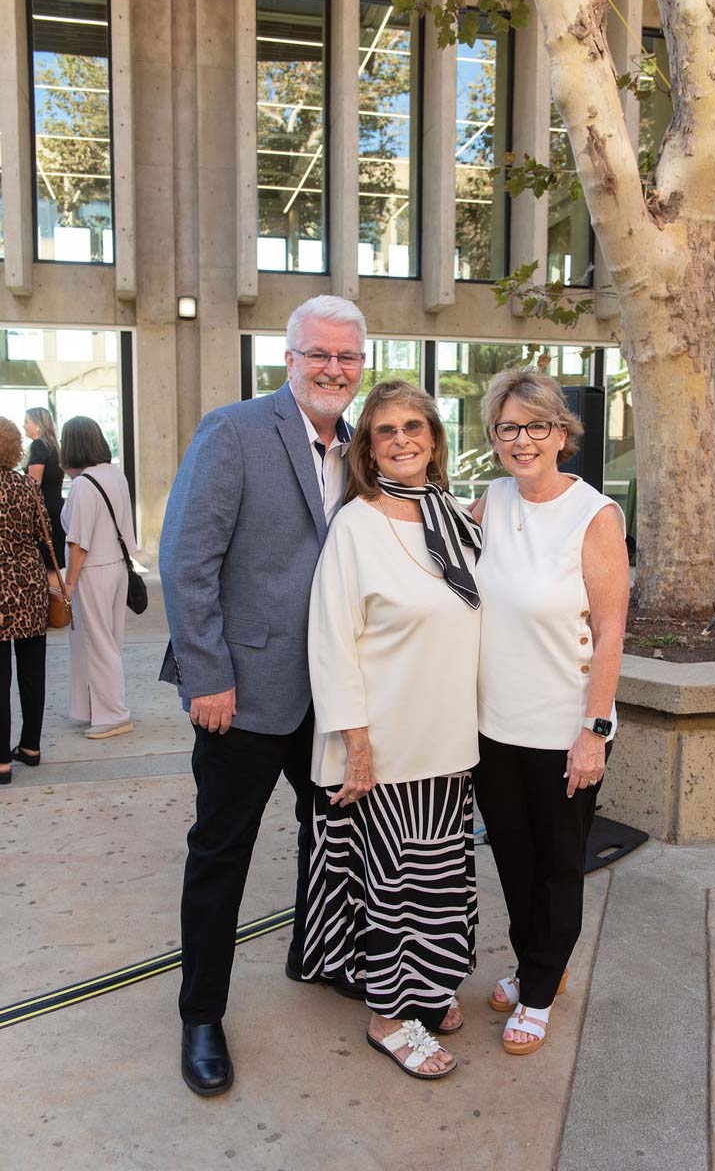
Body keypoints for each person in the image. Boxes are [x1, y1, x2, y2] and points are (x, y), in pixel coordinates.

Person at [159, 294, 367, 1097]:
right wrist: (208, 674)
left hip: (329, 694)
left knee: (335, 841)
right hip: (243, 694)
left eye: (346, 357)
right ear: (288, 358)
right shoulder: (236, 430)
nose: (332, 369)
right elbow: (186, 559)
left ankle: (316, 954)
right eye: (318, 354)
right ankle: (201, 1013)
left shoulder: (356, 450)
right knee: (221, 853)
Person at [303, 380, 483, 1080]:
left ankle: (431, 988)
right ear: (367, 447)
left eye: (415, 426)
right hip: (384, 742)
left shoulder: (455, 519)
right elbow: (331, 639)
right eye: (386, 430)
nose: (403, 439)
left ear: (434, 439)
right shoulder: (356, 525)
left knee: (444, 876)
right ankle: (387, 1013)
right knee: (395, 885)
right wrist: (354, 743)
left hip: (450, 737)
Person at [472, 369, 629, 1055]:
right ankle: (537, 961)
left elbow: (612, 630)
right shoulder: (488, 500)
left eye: (536, 425)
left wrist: (592, 731)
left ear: (563, 434)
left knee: (557, 864)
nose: (522, 440)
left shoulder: (593, 513)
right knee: (512, 861)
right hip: (492, 726)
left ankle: (537, 990)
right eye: (507, 427)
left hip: (564, 728)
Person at [60, 417, 137, 740]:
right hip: (117, 567)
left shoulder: (82, 485)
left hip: (93, 571)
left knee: (95, 644)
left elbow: (78, 541)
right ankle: (99, 708)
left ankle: (112, 714)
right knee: (109, 641)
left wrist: (69, 583)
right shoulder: (114, 474)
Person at [0, 418, 50, 784]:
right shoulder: (26, 486)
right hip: (30, 585)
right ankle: (30, 747)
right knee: (32, 671)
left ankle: (2, 761)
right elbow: (44, 531)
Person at [24, 406, 66, 570]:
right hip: (56, 508)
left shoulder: (38, 446)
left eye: (27, 422)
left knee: (48, 563)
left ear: (38, 425)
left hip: (44, 512)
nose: (24, 426)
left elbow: (33, 484)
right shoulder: (53, 446)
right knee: (56, 561)